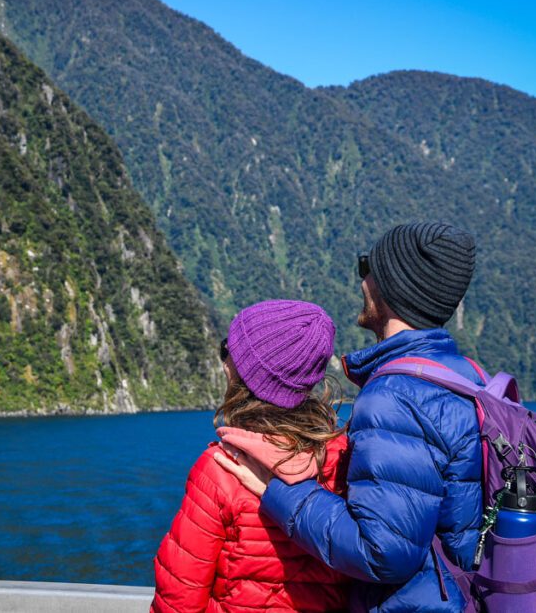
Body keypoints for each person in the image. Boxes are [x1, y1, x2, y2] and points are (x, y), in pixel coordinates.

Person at [216, 222, 483, 612]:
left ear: (391, 285)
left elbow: (384, 553)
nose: (362, 281)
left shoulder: (395, 399)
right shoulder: (465, 375)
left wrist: (283, 489)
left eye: (366, 267)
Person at [151, 300, 351, 613]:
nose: (223, 362)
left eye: (227, 350)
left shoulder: (221, 468)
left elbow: (180, 596)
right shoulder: (343, 460)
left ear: (246, 373)